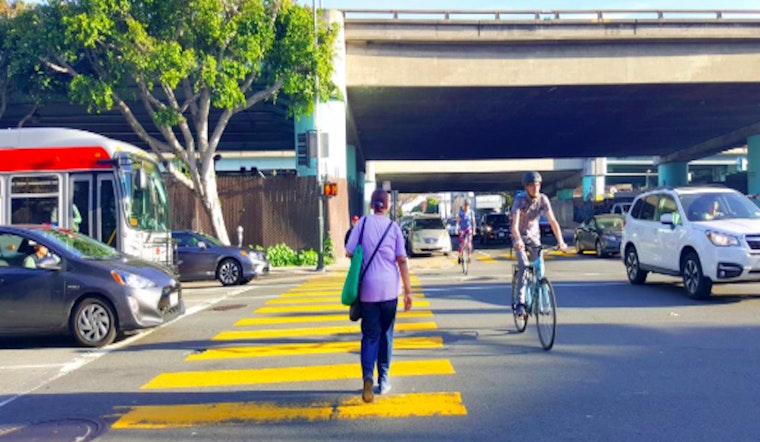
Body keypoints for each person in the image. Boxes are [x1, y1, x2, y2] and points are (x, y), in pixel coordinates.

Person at [345, 189, 412, 404]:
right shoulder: (393, 228)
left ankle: (367, 377)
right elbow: (401, 260)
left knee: (370, 335)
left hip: (367, 292)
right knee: (386, 335)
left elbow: (348, 251)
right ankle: (383, 381)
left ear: (372, 205)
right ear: (387, 205)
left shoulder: (362, 224)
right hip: (389, 290)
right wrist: (408, 292)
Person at [510, 171, 568, 317]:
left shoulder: (543, 199)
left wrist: (561, 241)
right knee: (524, 266)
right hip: (520, 238)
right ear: (526, 187)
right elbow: (514, 225)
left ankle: (543, 301)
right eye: (531, 186)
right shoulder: (519, 199)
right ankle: (520, 303)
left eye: (537, 185)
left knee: (540, 268)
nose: (535, 188)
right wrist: (517, 240)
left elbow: (553, 221)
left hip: (535, 238)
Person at [455, 200, 476, 264]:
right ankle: (459, 256)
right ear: (463, 206)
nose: (466, 207)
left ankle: (469, 257)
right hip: (462, 229)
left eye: (467, 205)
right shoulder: (461, 213)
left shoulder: (471, 212)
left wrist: (474, 230)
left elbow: (473, 222)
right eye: (465, 205)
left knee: (469, 244)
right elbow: (458, 222)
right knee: (462, 244)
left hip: (468, 229)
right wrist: (456, 229)